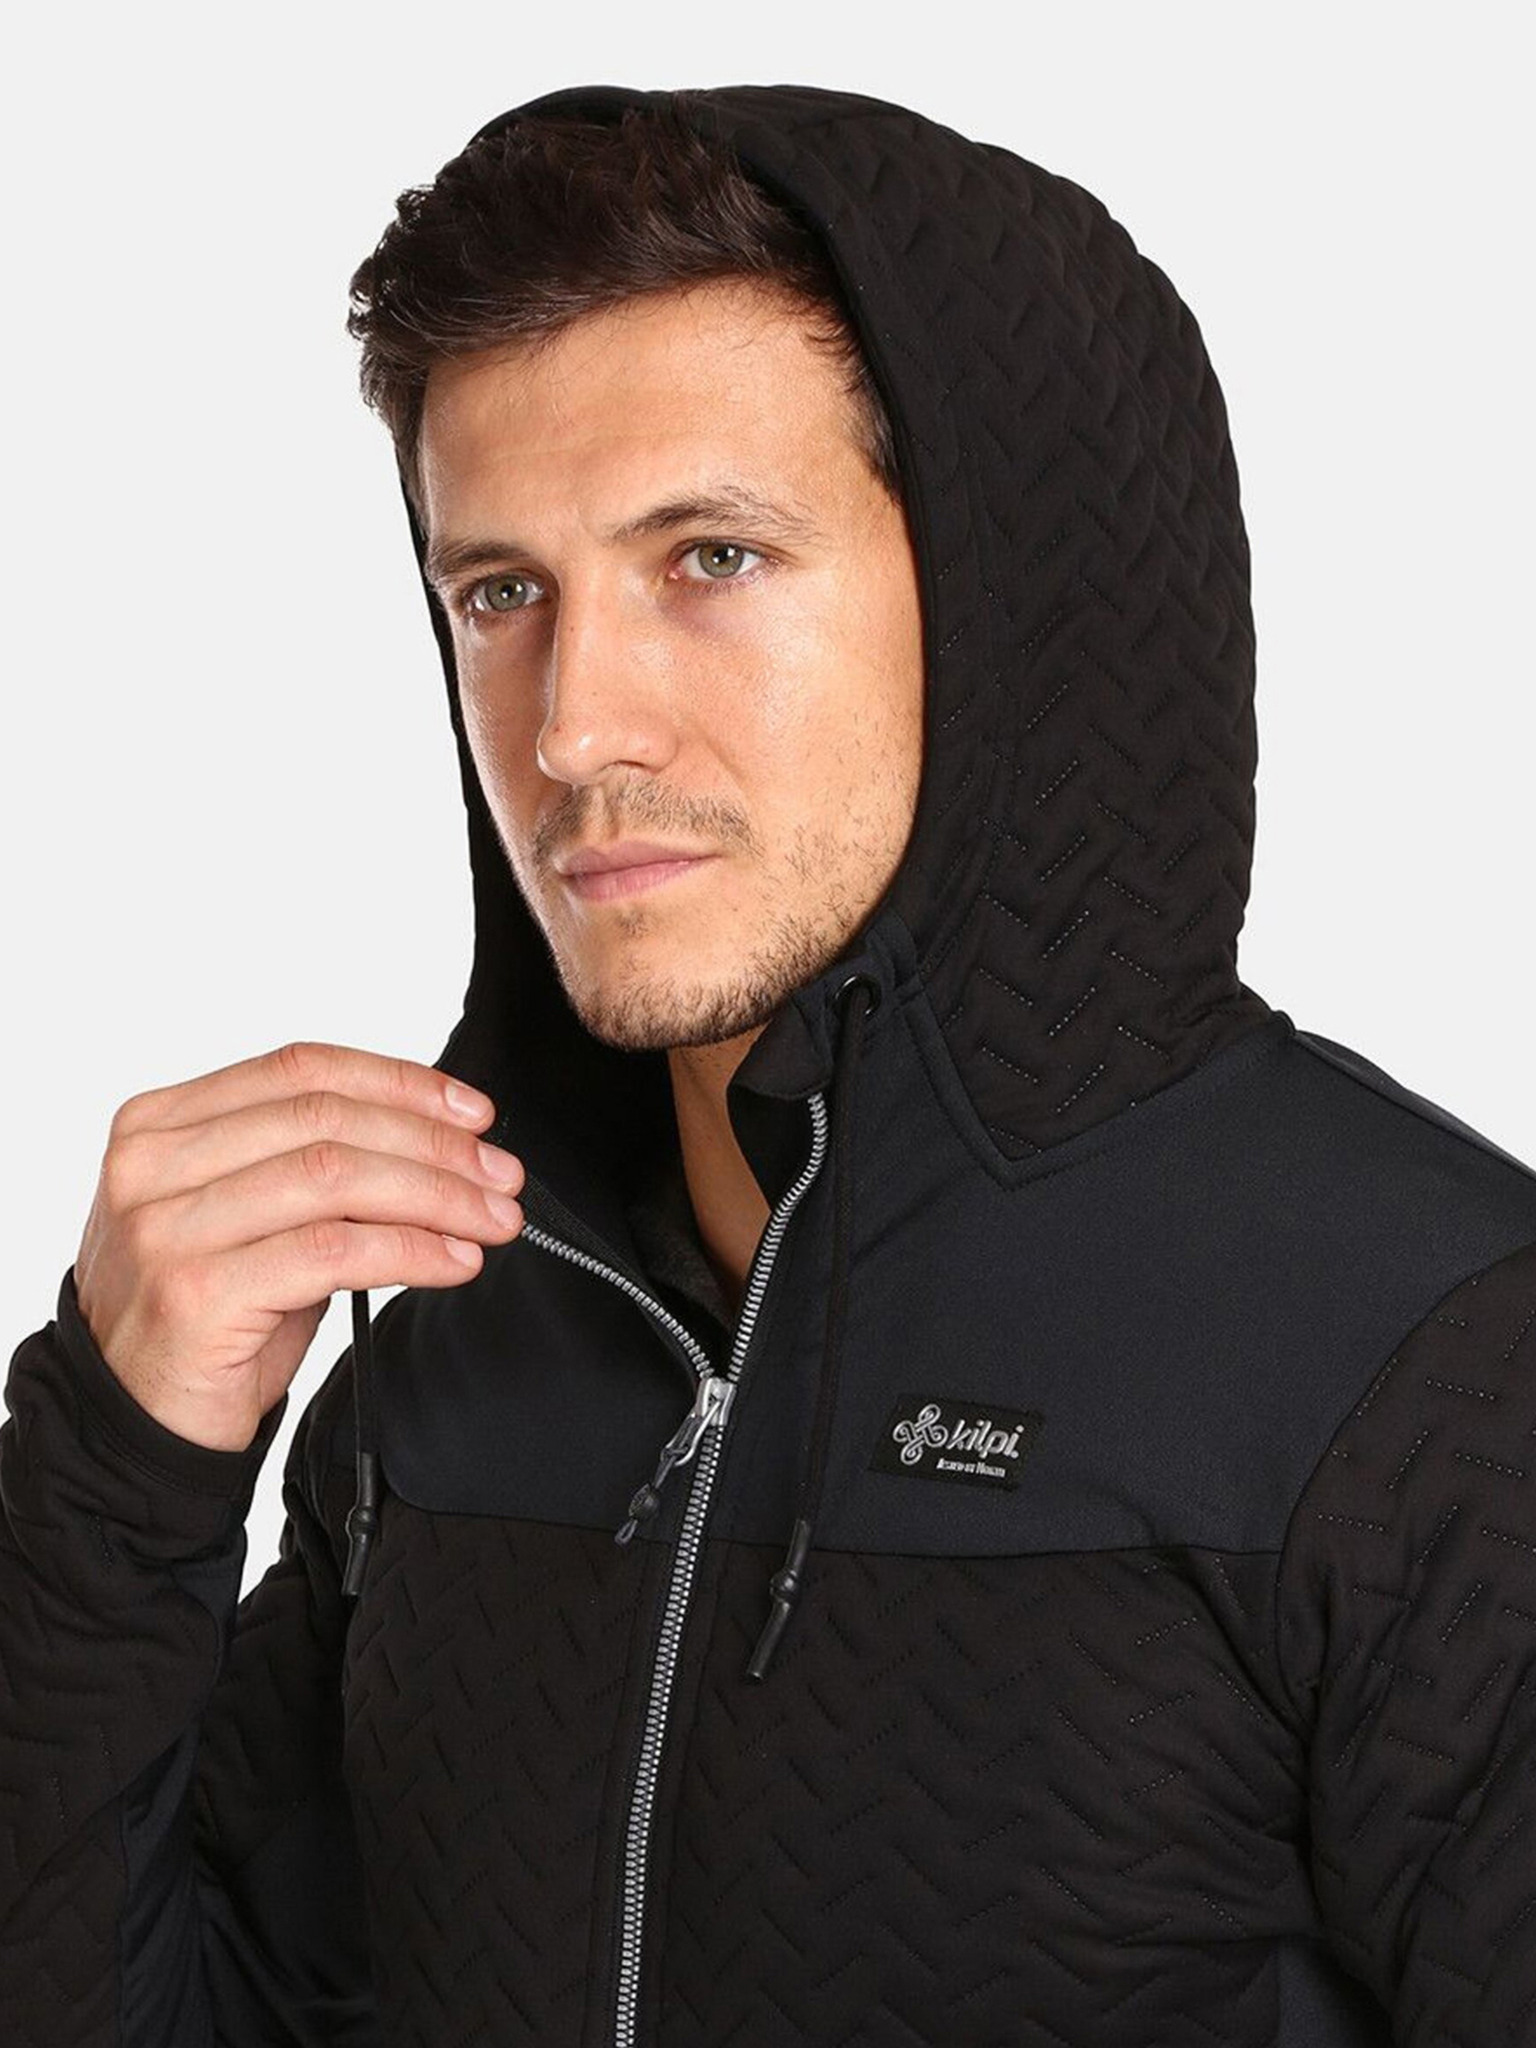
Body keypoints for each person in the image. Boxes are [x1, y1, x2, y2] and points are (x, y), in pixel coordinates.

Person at [2, 79, 1533, 2048]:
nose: (572, 727)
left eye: (710, 557)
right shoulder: (449, 1349)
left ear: (1009, 604)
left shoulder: (1434, 1370)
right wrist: (112, 1473)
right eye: (502, 592)